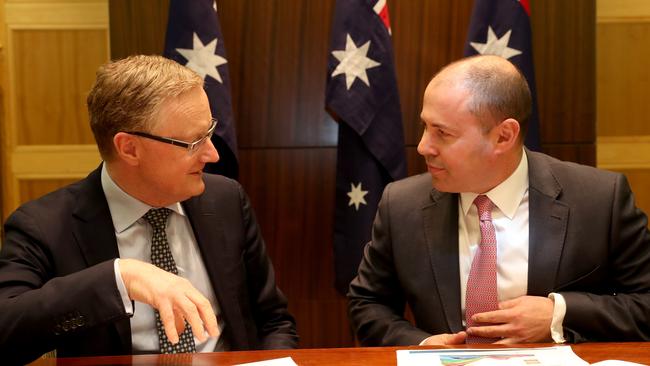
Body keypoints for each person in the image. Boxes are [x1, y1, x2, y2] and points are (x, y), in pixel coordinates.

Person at [0, 55, 298, 364]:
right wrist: (120, 277)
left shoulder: (226, 200)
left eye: (209, 132)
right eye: (193, 142)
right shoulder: (45, 224)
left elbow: (274, 320)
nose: (212, 154)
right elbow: (6, 330)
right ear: (129, 148)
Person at [348, 55, 650, 346]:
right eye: (425, 126)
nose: (424, 146)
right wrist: (423, 344)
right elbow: (367, 303)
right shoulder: (401, 204)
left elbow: (644, 304)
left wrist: (559, 315)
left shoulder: (598, 199)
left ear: (504, 136)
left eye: (442, 133)